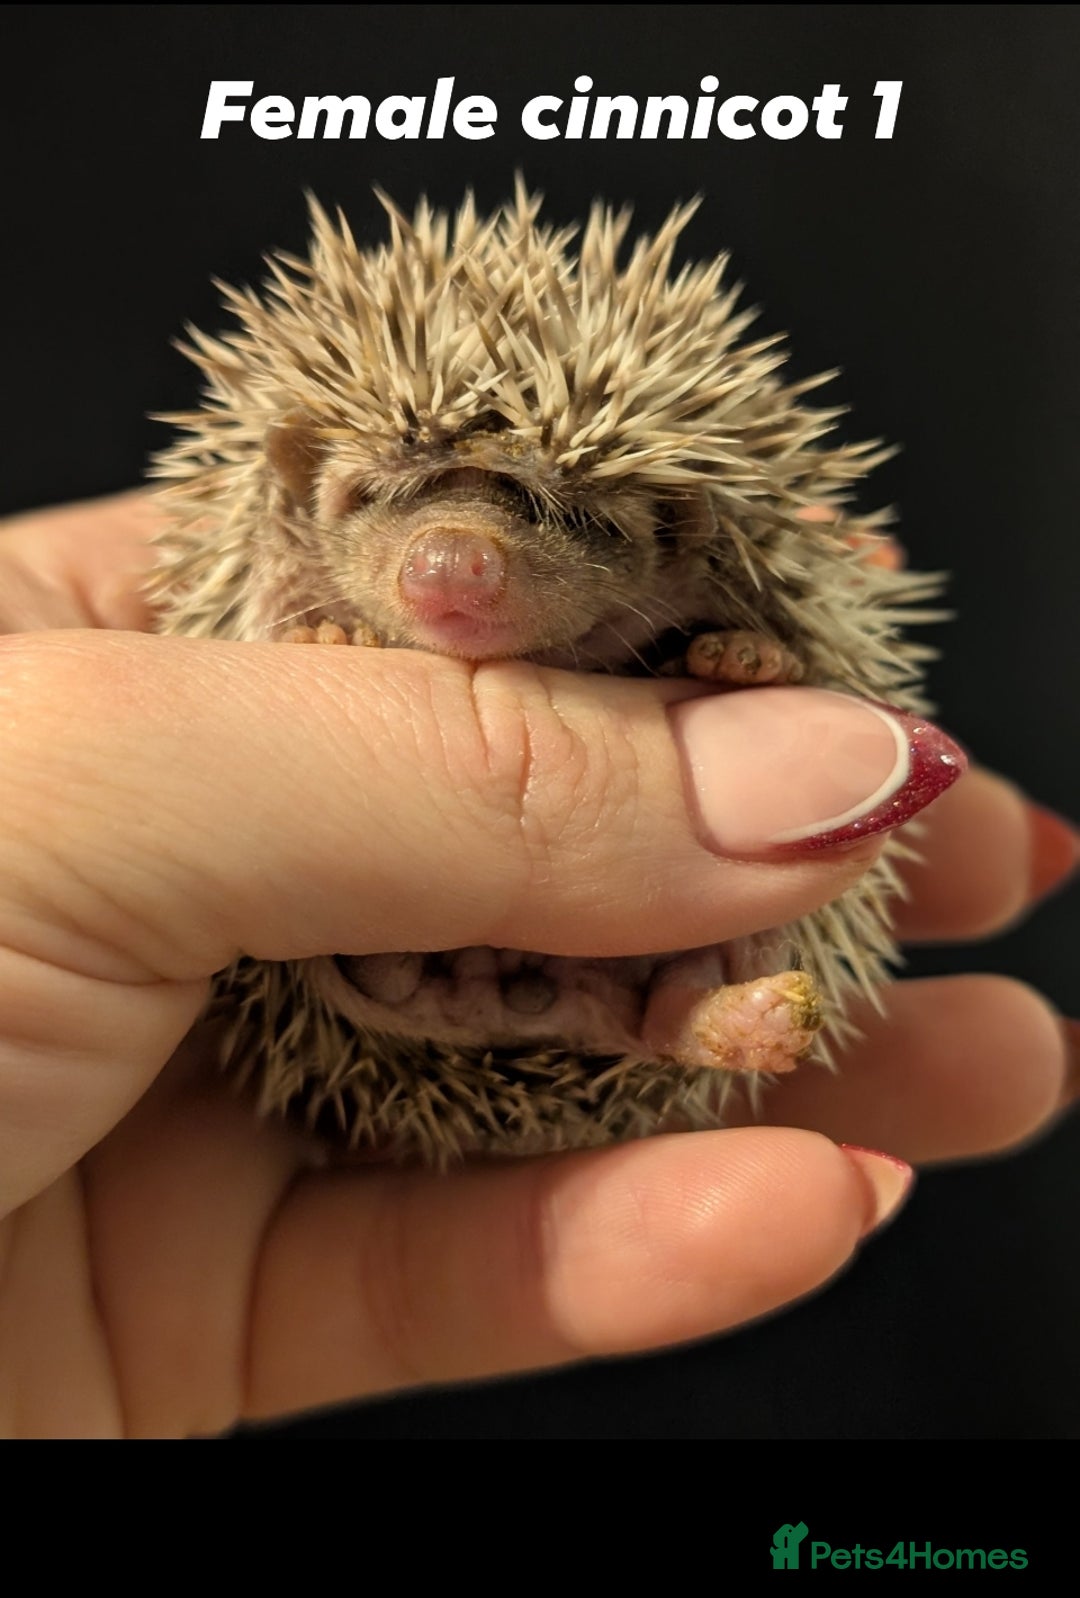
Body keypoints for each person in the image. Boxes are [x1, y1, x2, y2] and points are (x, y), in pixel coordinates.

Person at [0, 492, 1074, 1440]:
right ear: (300, 488)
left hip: (481, 963)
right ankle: (656, 1010)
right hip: (370, 982)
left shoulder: (712, 585)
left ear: (679, 536)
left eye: (567, 518)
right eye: (383, 497)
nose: (447, 557)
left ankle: (670, 1014)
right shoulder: (279, 568)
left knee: (754, 908)